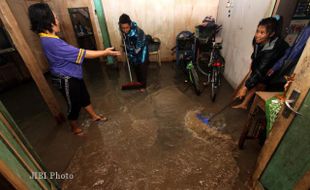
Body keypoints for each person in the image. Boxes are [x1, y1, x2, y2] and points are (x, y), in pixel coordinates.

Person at [28, 3, 120, 135]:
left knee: (84, 96)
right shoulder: (52, 42)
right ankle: (74, 127)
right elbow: (84, 53)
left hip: (73, 75)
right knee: (74, 104)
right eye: (55, 17)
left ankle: (94, 116)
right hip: (66, 79)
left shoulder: (50, 38)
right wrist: (105, 52)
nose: (58, 20)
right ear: (47, 21)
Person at [233, 17, 289, 109]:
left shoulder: (273, 50)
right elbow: (255, 54)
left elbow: (261, 70)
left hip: (276, 67)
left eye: (262, 33)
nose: (257, 35)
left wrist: (244, 88)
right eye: (257, 31)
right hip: (264, 65)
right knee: (255, 82)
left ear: (271, 34)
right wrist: (252, 65)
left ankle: (247, 105)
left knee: (259, 84)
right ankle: (245, 104)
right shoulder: (257, 40)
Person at [118, 13, 148, 92]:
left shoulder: (138, 32)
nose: (125, 30)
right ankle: (139, 83)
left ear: (130, 24)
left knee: (142, 67)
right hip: (132, 50)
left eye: (126, 28)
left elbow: (139, 46)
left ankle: (143, 86)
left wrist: (130, 50)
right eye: (123, 28)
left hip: (142, 50)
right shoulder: (123, 31)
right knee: (135, 67)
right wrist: (126, 48)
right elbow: (126, 41)